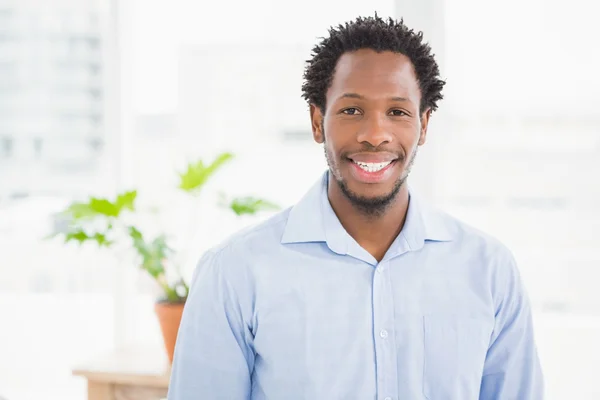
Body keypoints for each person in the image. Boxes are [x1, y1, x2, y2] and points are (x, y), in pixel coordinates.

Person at [167, 14, 544, 400]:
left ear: (424, 125)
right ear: (318, 121)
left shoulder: (489, 270)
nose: (374, 135)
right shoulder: (234, 273)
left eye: (397, 112)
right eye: (351, 110)